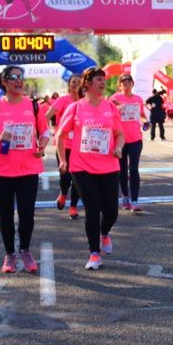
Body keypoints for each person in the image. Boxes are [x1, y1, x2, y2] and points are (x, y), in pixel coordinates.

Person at [0, 66, 50, 274]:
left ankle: (25, 250)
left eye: (21, 77)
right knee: (6, 215)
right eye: (13, 78)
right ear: (5, 82)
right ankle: (10, 254)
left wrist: (42, 146)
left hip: (28, 168)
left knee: (27, 214)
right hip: (1, 170)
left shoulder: (34, 106)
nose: (19, 81)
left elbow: (44, 132)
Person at [55, 67, 124, 270]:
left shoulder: (111, 108)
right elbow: (60, 135)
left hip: (109, 165)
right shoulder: (76, 108)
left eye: (104, 79)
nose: (103, 83)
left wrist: (118, 147)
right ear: (88, 84)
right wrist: (62, 160)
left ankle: (104, 233)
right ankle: (94, 253)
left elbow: (120, 134)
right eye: (98, 80)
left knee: (111, 212)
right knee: (92, 210)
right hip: (81, 167)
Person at [109, 74, 147, 212]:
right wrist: (118, 108)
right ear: (119, 85)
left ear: (133, 83)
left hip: (136, 138)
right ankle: (125, 196)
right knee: (123, 170)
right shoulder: (114, 98)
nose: (126, 82)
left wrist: (145, 122)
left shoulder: (138, 99)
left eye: (128, 80)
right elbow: (109, 113)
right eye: (123, 81)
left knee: (134, 169)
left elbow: (141, 115)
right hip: (120, 140)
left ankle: (135, 200)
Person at [48, 74, 83, 219]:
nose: (75, 85)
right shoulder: (63, 100)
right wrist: (44, 132)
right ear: (69, 85)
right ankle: (63, 193)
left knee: (78, 178)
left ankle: (73, 207)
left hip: (80, 146)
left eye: (78, 82)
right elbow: (46, 115)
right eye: (73, 82)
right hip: (63, 144)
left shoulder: (85, 101)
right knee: (65, 176)